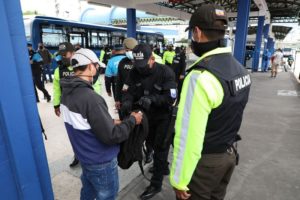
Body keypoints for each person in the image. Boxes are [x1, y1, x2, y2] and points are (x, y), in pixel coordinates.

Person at [170, 4, 251, 200]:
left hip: (204, 164)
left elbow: (189, 136)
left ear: (197, 32)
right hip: (229, 155)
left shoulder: (200, 76)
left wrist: (179, 179)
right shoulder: (240, 70)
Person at [60, 48, 143, 200]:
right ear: (91, 66)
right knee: (107, 196)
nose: (98, 70)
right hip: (100, 161)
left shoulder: (66, 92)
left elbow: (85, 122)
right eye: (97, 66)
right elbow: (112, 136)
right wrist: (132, 120)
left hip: (85, 157)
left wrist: (111, 121)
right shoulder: (91, 98)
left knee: (88, 192)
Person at [121, 44, 177, 200]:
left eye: (143, 64)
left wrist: (153, 99)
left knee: (161, 148)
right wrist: (126, 101)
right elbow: (127, 90)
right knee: (150, 143)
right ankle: (163, 168)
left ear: (152, 58)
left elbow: (171, 98)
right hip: (146, 118)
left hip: (163, 117)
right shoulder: (134, 72)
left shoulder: (166, 72)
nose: (140, 69)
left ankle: (156, 184)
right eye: (137, 65)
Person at [53, 42, 102, 167]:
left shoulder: (86, 68)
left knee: (91, 131)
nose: (64, 57)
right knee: (75, 133)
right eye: (61, 55)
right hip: (70, 105)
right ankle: (77, 155)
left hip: (87, 105)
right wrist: (56, 104)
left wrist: (95, 104)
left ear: (73, 53)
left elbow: (96, 87)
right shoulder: (59, 70)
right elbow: (57, 88)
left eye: (66, 54)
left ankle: (90, 155)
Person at [115, 38, 138, 119]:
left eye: (129, 50)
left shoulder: (142, 61)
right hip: (125, 98)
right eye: (126, 50)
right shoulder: (123, 62)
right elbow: (119, 81)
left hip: (139, 99)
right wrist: (117, 99)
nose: (127, 52)